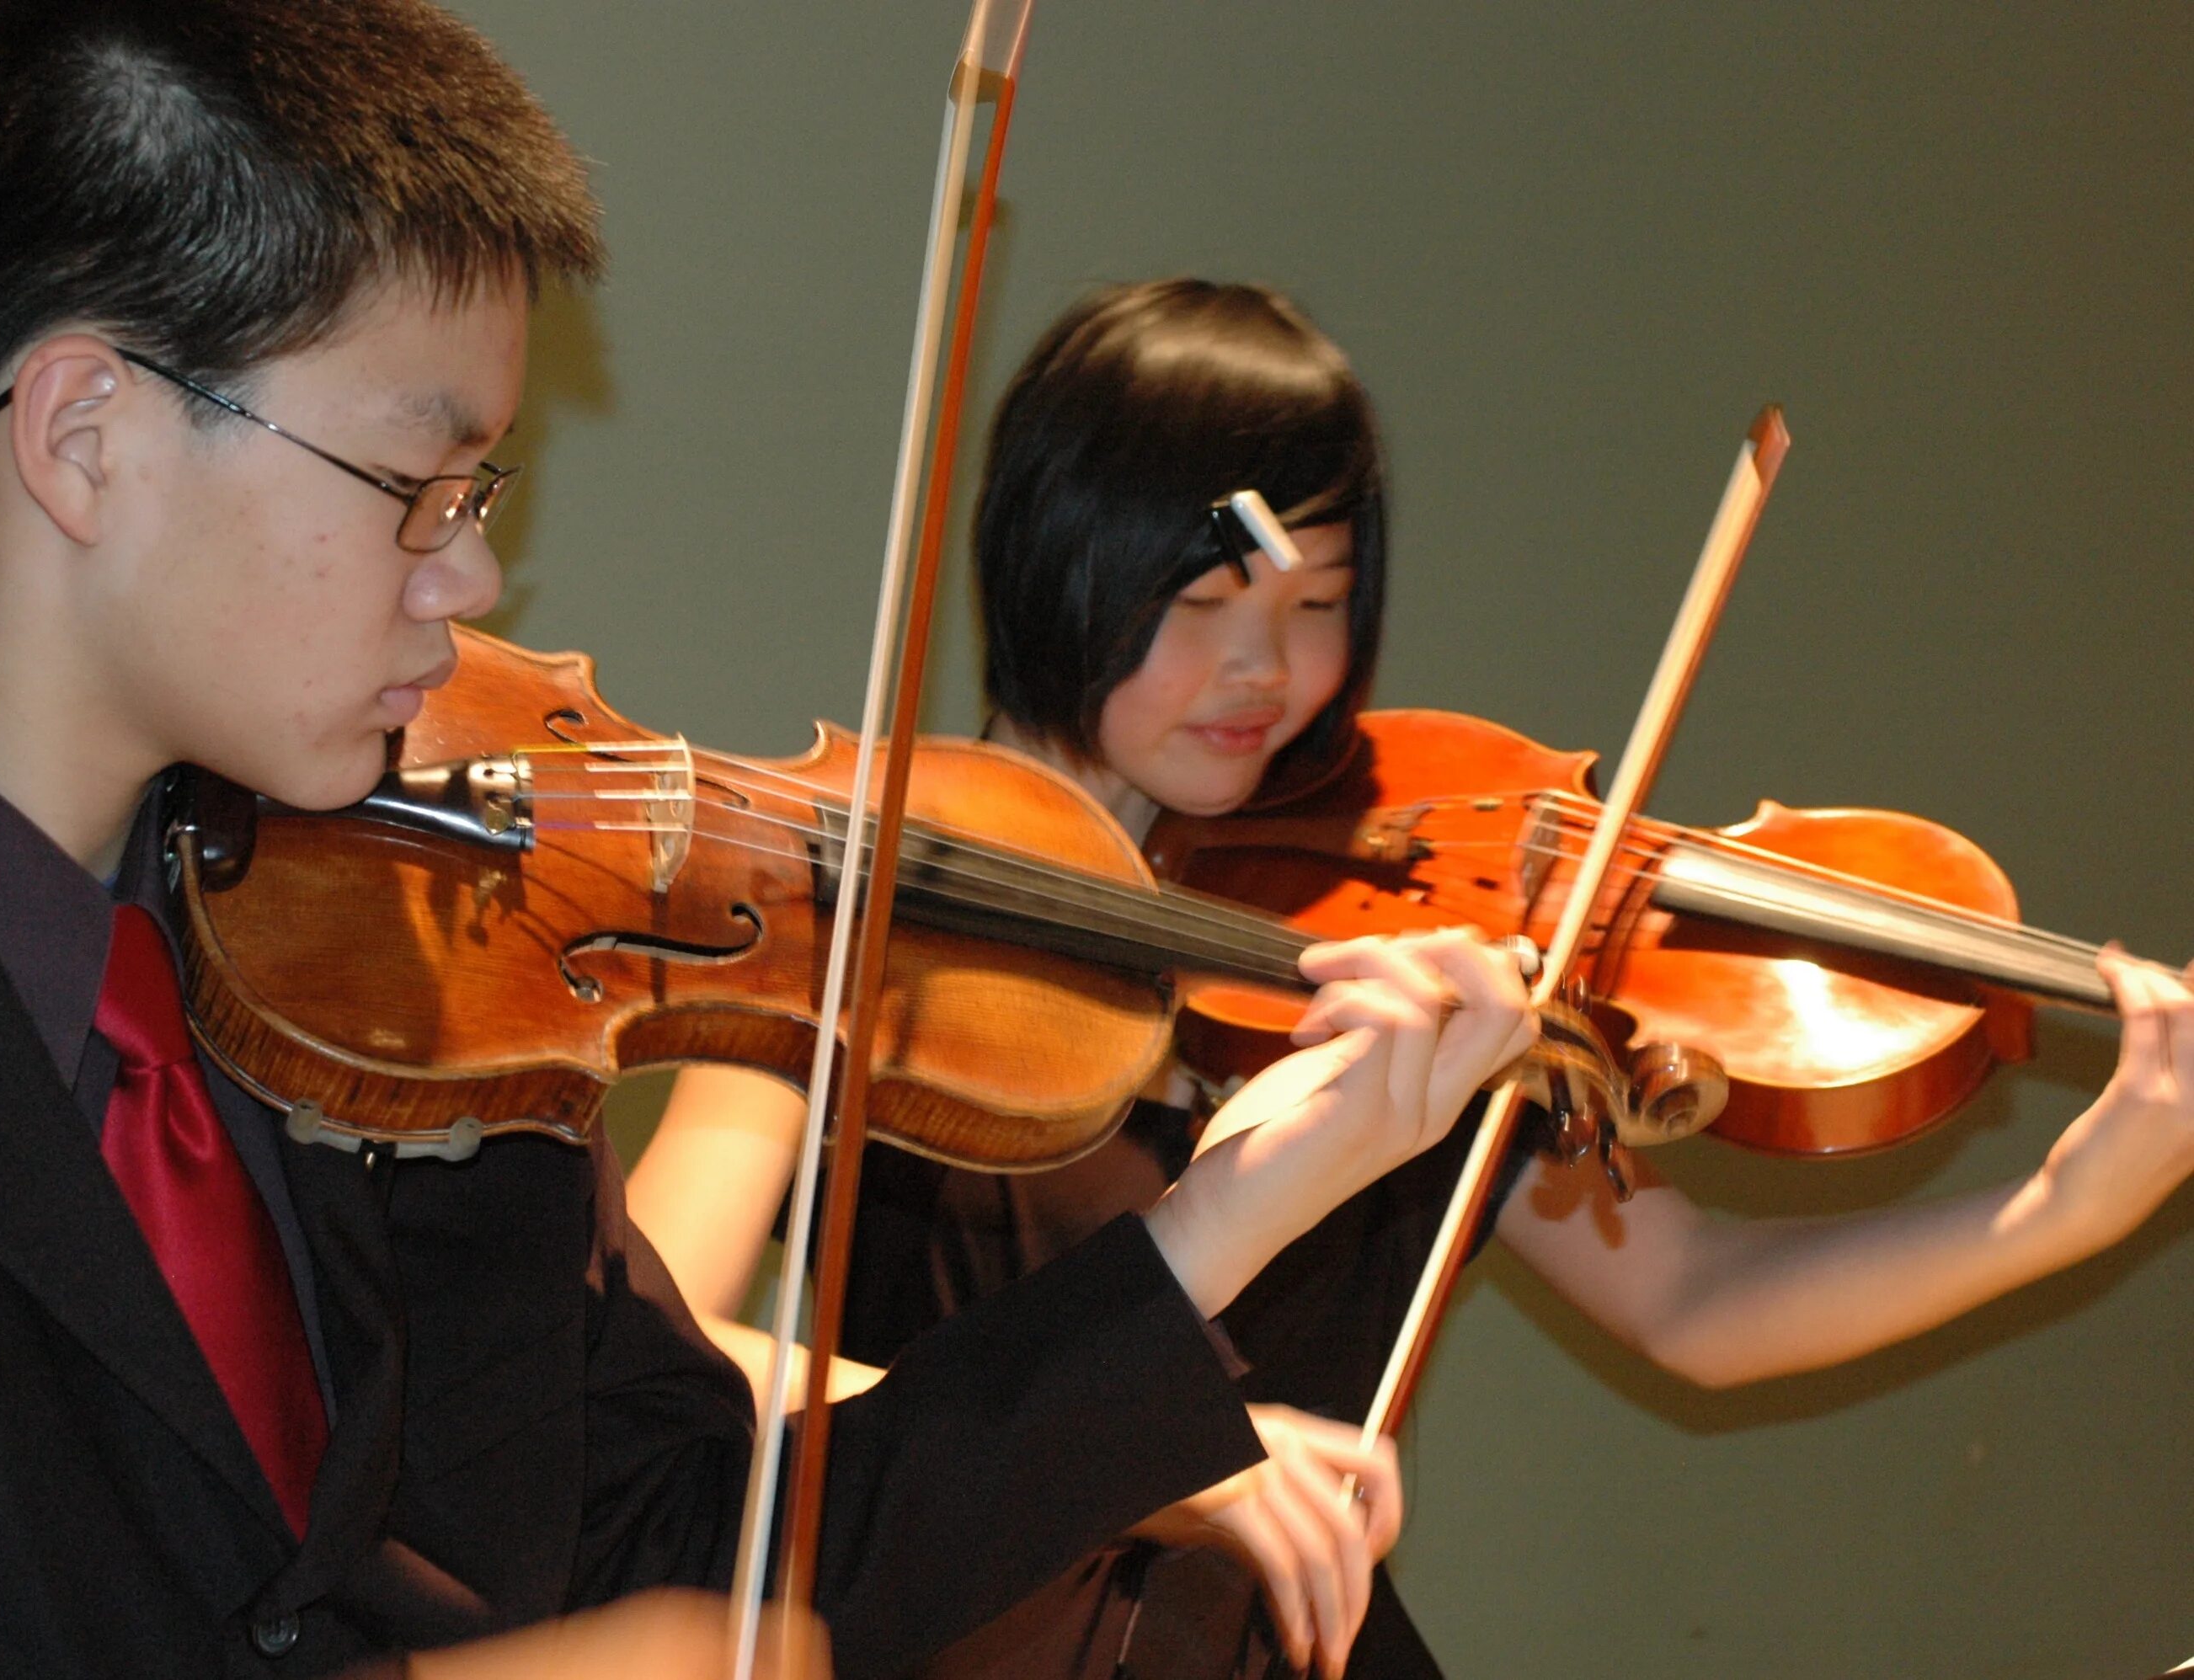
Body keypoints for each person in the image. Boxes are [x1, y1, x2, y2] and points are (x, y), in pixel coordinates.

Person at [0, 13, 1546, 1680]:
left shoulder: (414, 953)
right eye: (420, 486)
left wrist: (1222, 1217)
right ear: (85, 435)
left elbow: (698, 1547)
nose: (475, 577)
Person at [624, 278, 2194, 1679]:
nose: (1268, 675)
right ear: (1062, 574)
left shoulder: (1375, 914)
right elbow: (669, 1344)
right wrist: (1162, 1452)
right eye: (1204, 608)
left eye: (1316, 607)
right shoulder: (886, 894)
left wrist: (2068, 1209)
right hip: (976, 1632)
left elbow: (1698, 1303)